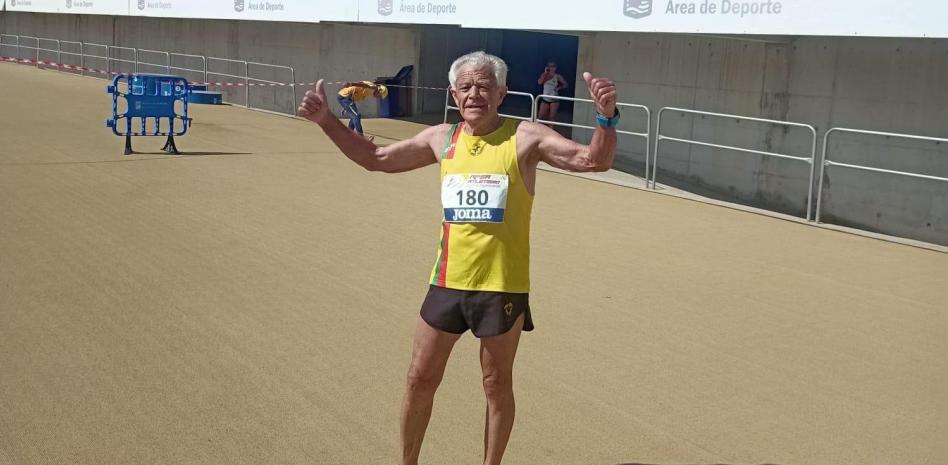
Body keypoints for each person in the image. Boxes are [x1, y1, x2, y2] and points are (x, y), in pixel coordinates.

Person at [297, 51, 618, 465]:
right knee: (419, 378)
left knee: (495, 383)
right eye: (465, 87)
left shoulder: (526, 137)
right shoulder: (441, 138)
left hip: (501, 286)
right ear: (453, 93)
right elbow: (376, 160)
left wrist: (606, 118)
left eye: (484, 86)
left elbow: (594, 160)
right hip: (447, 282)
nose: (475, 94)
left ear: (502, 93)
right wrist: (327, 121)